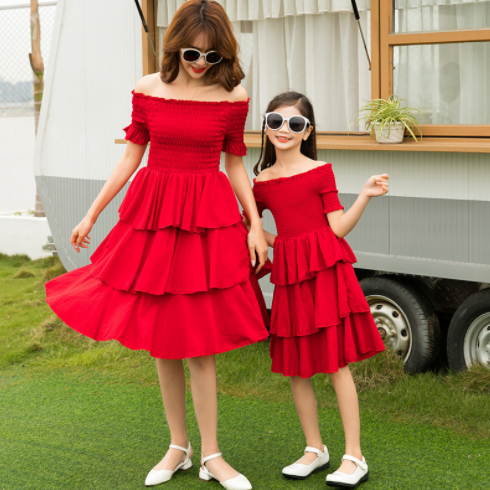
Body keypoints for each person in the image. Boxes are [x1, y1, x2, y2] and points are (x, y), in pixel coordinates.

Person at [45, 1, 269, 488]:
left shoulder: (233, 97)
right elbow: (132, 156)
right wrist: (92, 211)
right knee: (164, 343)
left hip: (206, 221)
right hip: (155, 215)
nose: (200, 63)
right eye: (193, 52)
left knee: (201, 343)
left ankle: (212, 455)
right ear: (176, 44)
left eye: (212, 57)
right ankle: (178, 447)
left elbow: (234, 166)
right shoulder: (148, 89)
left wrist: (254, 224)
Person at [246, 91, 387, 488]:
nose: (283, 130)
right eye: (275, 121)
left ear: (307, 130)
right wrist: (279, 243)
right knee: (297, 366)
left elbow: (336, 228)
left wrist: (364, 196)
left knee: (335, 363)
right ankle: (315, 449)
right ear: (266, 126)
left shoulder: (321, 171)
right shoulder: (261, 182)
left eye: (294, 123)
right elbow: (253, 227)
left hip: (325, 273)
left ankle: (354, 456)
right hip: (290, 276)